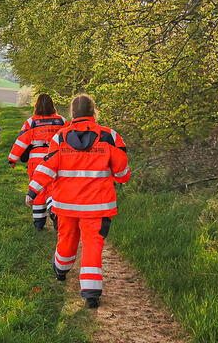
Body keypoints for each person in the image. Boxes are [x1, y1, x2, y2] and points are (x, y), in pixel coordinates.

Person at [26, 94, 129, 308]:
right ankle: (91, 293)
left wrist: (33, 191)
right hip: (98, 207)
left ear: (72, 114)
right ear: (94, 111)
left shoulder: (60, 138)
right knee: (92, 245)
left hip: (66, 206)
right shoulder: (110, 136)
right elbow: (122, 174)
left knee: (67, 240)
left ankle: (61, 270)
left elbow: (47, 168)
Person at [8, 93, 66, 230]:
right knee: (53, 187)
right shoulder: (62, 121)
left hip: (36, 159)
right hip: (55, 157)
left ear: (36, 106)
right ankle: (55, 211)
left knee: (38, 190)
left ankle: (39, 223)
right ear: (52, 105)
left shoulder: (31, 122)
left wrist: (12, 159)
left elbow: (21, 142)